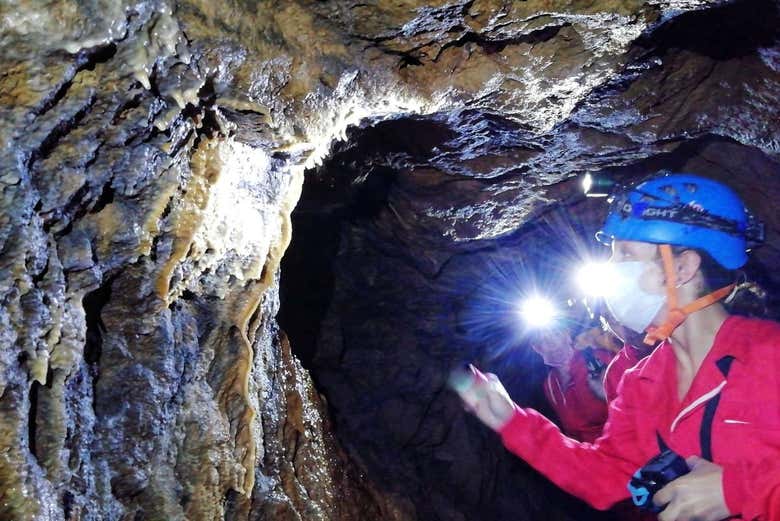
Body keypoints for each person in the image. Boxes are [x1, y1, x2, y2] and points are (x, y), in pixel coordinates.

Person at [455, 172, 779, 520]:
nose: (611, 270)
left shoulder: (769, 357)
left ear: (682, 268)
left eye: (624, 254)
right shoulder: (641, 383)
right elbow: (607, 476)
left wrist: (738, 492)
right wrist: (513, 422)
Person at [530, 327, 617, 442]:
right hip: (590, 454)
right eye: (544, 341)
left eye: (556, 334)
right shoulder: (551, 384)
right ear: (538, 349)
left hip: (622, 442)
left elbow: (631, 403)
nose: (552, 344)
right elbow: (571, 431)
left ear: (567, 334)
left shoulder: (596, 359)